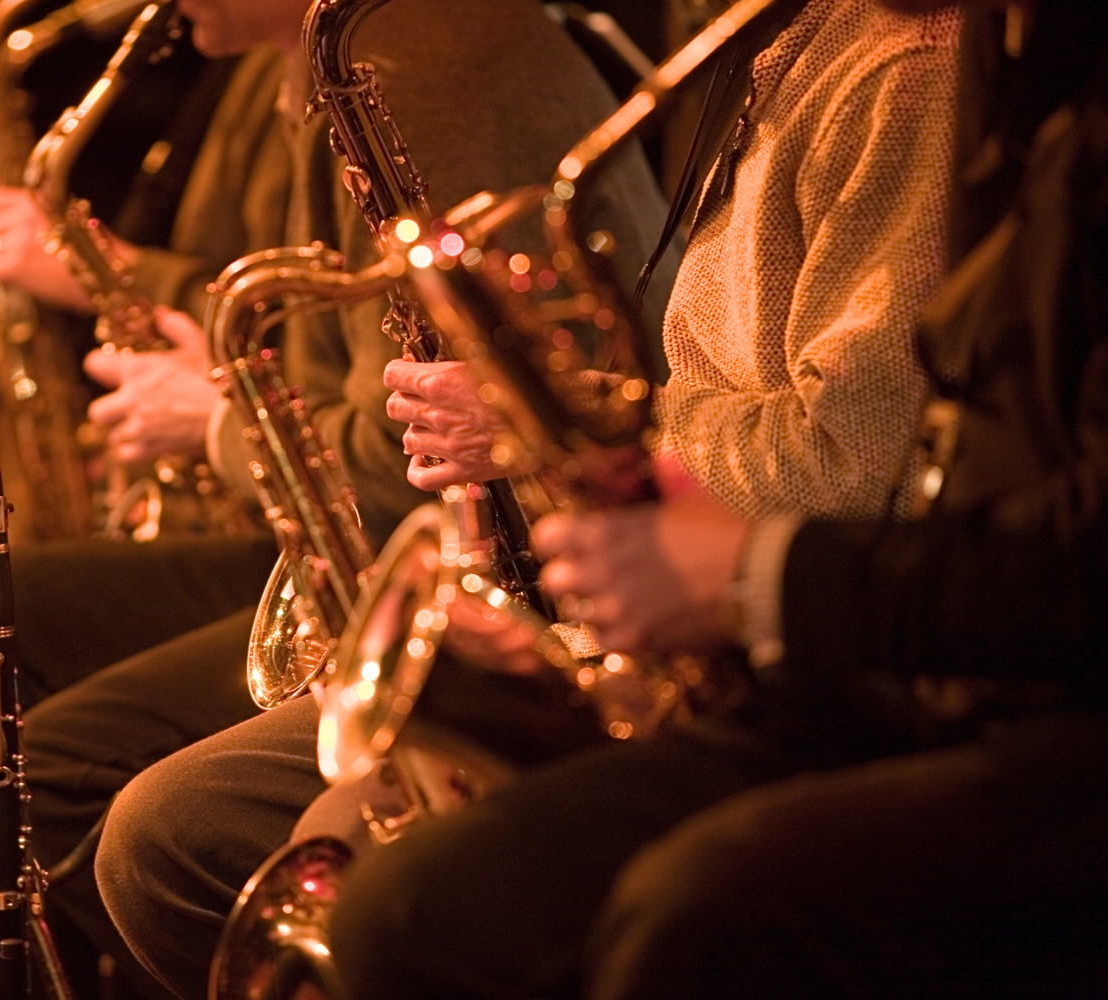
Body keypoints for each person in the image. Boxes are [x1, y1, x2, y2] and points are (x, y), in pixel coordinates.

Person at [100, 1, 964, 998]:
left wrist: (565, 436)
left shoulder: (900, 75)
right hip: (655, 614)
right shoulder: (774, 53)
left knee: (277, 860)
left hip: (776, 661)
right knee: (203, 828)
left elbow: (855, 464)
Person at [86, 0, 680, 995]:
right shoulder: (341, 59)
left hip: (588, 593)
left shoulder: (420, 55)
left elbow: (387, 452)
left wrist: (219, 421)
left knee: (154, 819)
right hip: (494, 565)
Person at [571, 3, 1108, 997]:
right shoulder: (823, 45)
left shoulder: (913, 66)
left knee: (681, 912)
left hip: (987, 670)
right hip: (911, 630)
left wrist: (682, 508)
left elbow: (857, 462)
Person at [0, 38, 296, 1000]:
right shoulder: (255, 69)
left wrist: (115, 278)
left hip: (311, 535)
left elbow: (303, 332)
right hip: (265, 502)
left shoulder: (376, 65)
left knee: (7, 688)